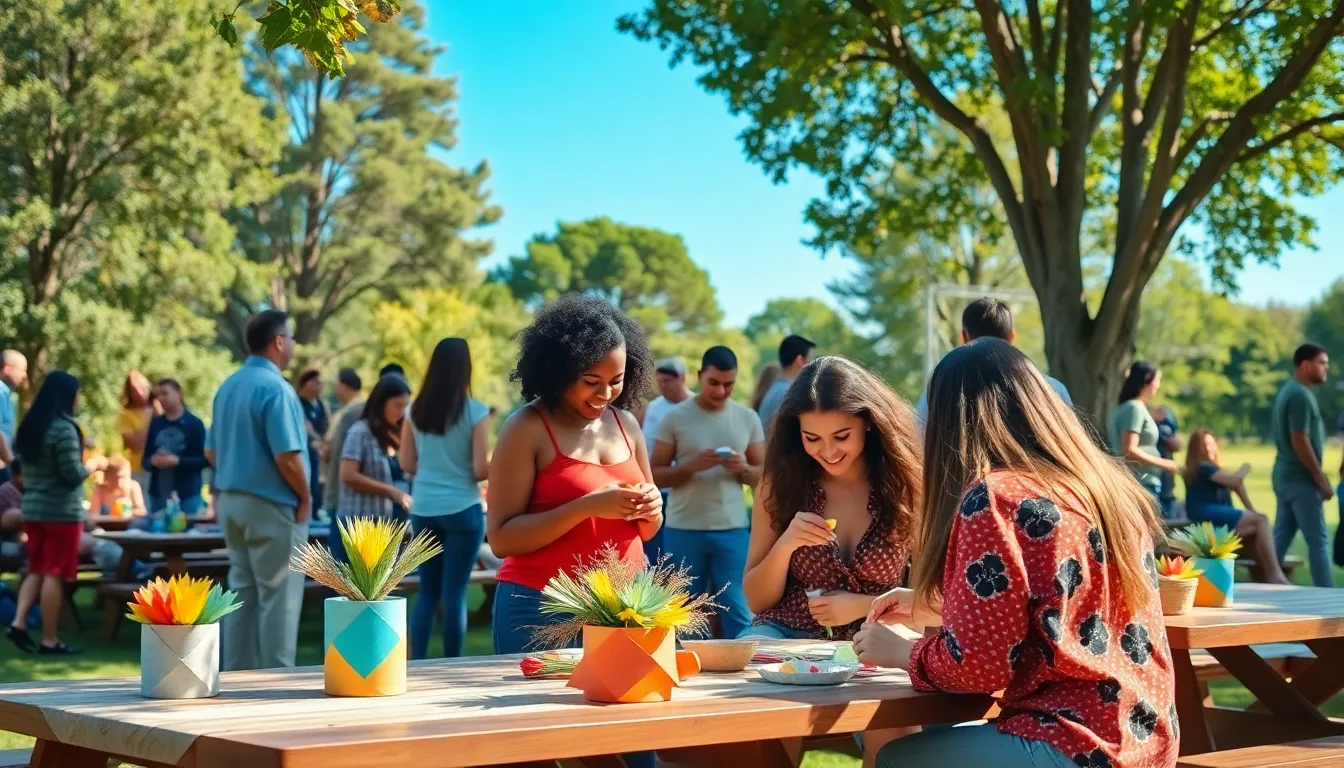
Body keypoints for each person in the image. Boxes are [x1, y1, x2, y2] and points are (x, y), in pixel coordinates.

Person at [855, 339, 1175, 768]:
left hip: (1072, 743)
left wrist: (903, 653)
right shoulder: (1107, 488)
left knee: (897, 758)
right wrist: (938, 605)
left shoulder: (994, 497)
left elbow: (979, 669)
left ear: (951, 422)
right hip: (1146, 738)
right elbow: (1068, 606)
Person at [740, 356, 921, 767]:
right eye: (812, 438)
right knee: (762, 714)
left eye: (841, 436)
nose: (828, 451)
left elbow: (933, 598)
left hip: (877, 638)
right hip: (787, 634)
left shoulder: (909, 484)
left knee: (898, 736)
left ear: (869, 423)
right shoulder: (780, 483)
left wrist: (862, 606)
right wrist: (786, 544)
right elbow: (756, 599)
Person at [488, 294, 663, 655]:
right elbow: (501, 539)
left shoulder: (627, 424)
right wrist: (585, 507)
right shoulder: (526, 428)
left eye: (616, 380)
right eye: (591, 380)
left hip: (626, 607)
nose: (605, 393)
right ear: (560, 372)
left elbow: (647, 530)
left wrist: (652, 508)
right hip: (541, 606)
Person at [207, 310, 311, 670]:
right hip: (270, 504)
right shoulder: (276, 389)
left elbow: (210, 452)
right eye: (292, 338)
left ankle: (236, 678)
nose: (294, 345)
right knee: (279, 598)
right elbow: (287, 456)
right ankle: (277, 683)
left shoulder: (227, 386)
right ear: (279, 342)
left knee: (241, 594)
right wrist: (305, 496)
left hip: (230, 501)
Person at [652, 346, 764, 640]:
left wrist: (743, 469)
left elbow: (763, 475)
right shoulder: (675, 417)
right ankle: (685, 664)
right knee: (682, 612)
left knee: (739, 609)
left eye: (729, 384)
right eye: (714, 383)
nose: (721, 391)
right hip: (683, 528)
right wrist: (691, 467)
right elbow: (654, 473)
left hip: (732, 529)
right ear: (700, 376)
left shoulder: (747, 417)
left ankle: (745, 664)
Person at [7, 371, 108, 655]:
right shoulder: (63, 429)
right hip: (60, 513)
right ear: (66, 395)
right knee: (55, 573)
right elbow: (71, 474)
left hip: (33, 509)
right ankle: (50, 639)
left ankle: (18, 622)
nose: (79, 398)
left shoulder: (30, 426)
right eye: (77, 393)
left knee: (37, 568)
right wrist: (94, 465)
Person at [401, 338, 491, 659]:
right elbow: (480, 469)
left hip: (424, 507)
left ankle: (417, 663)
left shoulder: (414, 411)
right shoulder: (476, 411)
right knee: (455, 593)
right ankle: (453, 664)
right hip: (463, 508)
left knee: (427, 591)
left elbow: (406, 463)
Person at [915, 298, 1072, 428]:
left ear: (964, 337)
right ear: (1012, 337)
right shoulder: (1053, 389)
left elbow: (918, 439)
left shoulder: (938, 392)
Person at [1183, 429, 1289, 584]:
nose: (1208, 449)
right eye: (1203, 445)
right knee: (1260, 522)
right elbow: (1235, 481)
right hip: (1205, 513)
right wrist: (1246, 467)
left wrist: (1252, 510)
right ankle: (1275, 575)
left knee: (1257, 527)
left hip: (1216, 514)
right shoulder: (1201, 468)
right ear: (1195, 449)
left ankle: (1268, 576)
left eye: (1211, 444)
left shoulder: (1215, 470)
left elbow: (1237, 485)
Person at [1271, 343, 1334, 588]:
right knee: (1318, 541)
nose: (1326, 368)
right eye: (1322, 363)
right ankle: (1329, 597)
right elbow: (1300, 439)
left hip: (1285, 476)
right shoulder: (1300, 395)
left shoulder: (1288, 390)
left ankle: (1263, 583)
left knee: (1280, 538)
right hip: (1300, 479)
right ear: (1306, 365)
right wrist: (1319, 478)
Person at [334, 375, 413, 544]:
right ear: (381, 403)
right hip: (359, 526)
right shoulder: (360, 432)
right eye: (398, 406)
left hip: (384, 525)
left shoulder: (395, 434)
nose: (402, 412)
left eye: (405, 407)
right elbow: (348, 475)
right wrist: (391, 492)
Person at [638, 358, 693, 562]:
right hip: (659, 487)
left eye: (668, 381)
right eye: (660, 381)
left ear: (682, 379)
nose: (663, 386)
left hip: (687, 489)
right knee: (657, 548)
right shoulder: (654, 408)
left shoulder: (696, 406)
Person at [1109, 361, 1178, 504]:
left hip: (1142, 482)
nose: (1158, 385)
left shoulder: (1133, 407)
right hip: (1140, 483)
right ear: (1147, 381)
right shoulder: (1134, 408)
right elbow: (1129, 450)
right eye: (1157, 380)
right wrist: (1165, 464)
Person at [144, 379, 209, 516]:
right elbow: (145, 460)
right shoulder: (155, 424)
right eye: (158, 395)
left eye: (165, 393)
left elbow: (204, 460)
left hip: (187, 495)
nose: (161, 398)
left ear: (179, 394)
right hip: (158, 494)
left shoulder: (194, 424)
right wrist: (153, 461)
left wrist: (177, 461)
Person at [321, 368, 364, 516]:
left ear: (342, 386)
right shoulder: (366, 407)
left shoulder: (347, 413)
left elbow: (329, 449)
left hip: (341, 489)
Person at [757, 335, 816, 438]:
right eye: (811, 361)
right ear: (800, 360)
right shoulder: (791, 394)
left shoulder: (774, 389)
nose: (814, 367)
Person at [118, 370, 156, 495]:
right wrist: (149, 418)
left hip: (161, 469)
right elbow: (135, 445)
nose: (139, 393)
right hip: (138, 469)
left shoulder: (160, 409)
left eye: (142, 388)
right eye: (134, 390)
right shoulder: (126, 414)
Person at [296, 369, 329, 513]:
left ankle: (316, 508)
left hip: (319, 452)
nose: (319, 386)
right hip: (302, 451)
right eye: (315, 382)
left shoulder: (322, 405)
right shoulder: (296, 403)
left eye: (320, 383)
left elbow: (327, 427)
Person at [0, 350, 28, 484]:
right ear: (7, 369)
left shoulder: (7, 395)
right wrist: (12, 463)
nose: (25, 375)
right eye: (22, 370)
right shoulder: (0, 392)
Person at [1153, 406, 1182, 520]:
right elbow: (1176, 445)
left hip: (1158, 469)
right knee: (1166, 501)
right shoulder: (1163, 427)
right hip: (1162, 470)